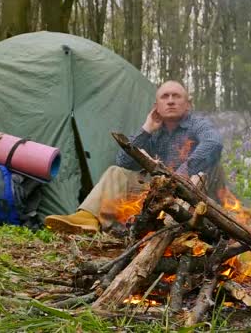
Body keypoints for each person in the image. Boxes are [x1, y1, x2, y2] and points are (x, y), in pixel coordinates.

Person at [44, 80, 223, 234]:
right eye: (165, 97)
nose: (170, 101)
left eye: (176, 96)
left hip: (194, 194)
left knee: (204, 166)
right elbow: (123, 161)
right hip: (162, 191)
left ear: (188, 104)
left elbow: (214, 143)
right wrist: (146, 129)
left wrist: (182, 172)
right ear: (156, 106)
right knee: (117, 173)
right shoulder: (154, 130)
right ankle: (88, 218)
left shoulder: (197, 124)